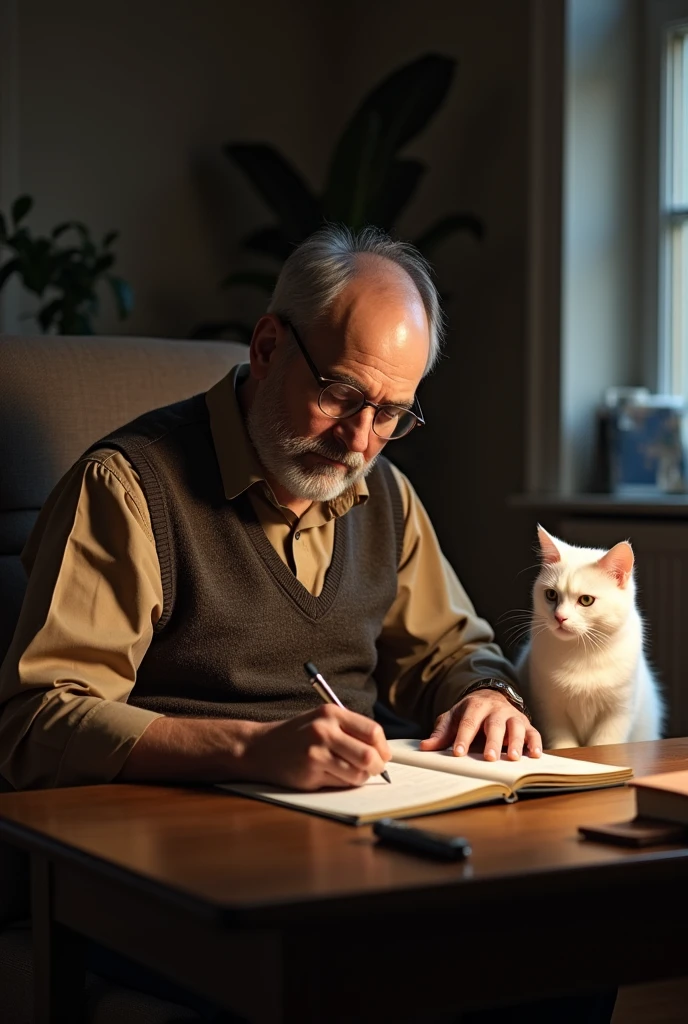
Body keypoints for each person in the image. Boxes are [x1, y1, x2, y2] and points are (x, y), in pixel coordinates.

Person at [0, 226, 614, 1023]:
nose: (359, 441)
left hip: (344, 852)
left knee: (566, 952)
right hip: (166, 871)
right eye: (341, 395)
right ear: (266, 347)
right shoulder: (127, 489)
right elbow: (36, 722)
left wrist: (489, 694)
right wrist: (255, 748)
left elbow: (454, 651)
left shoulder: (384, 494)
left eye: (391, 414)